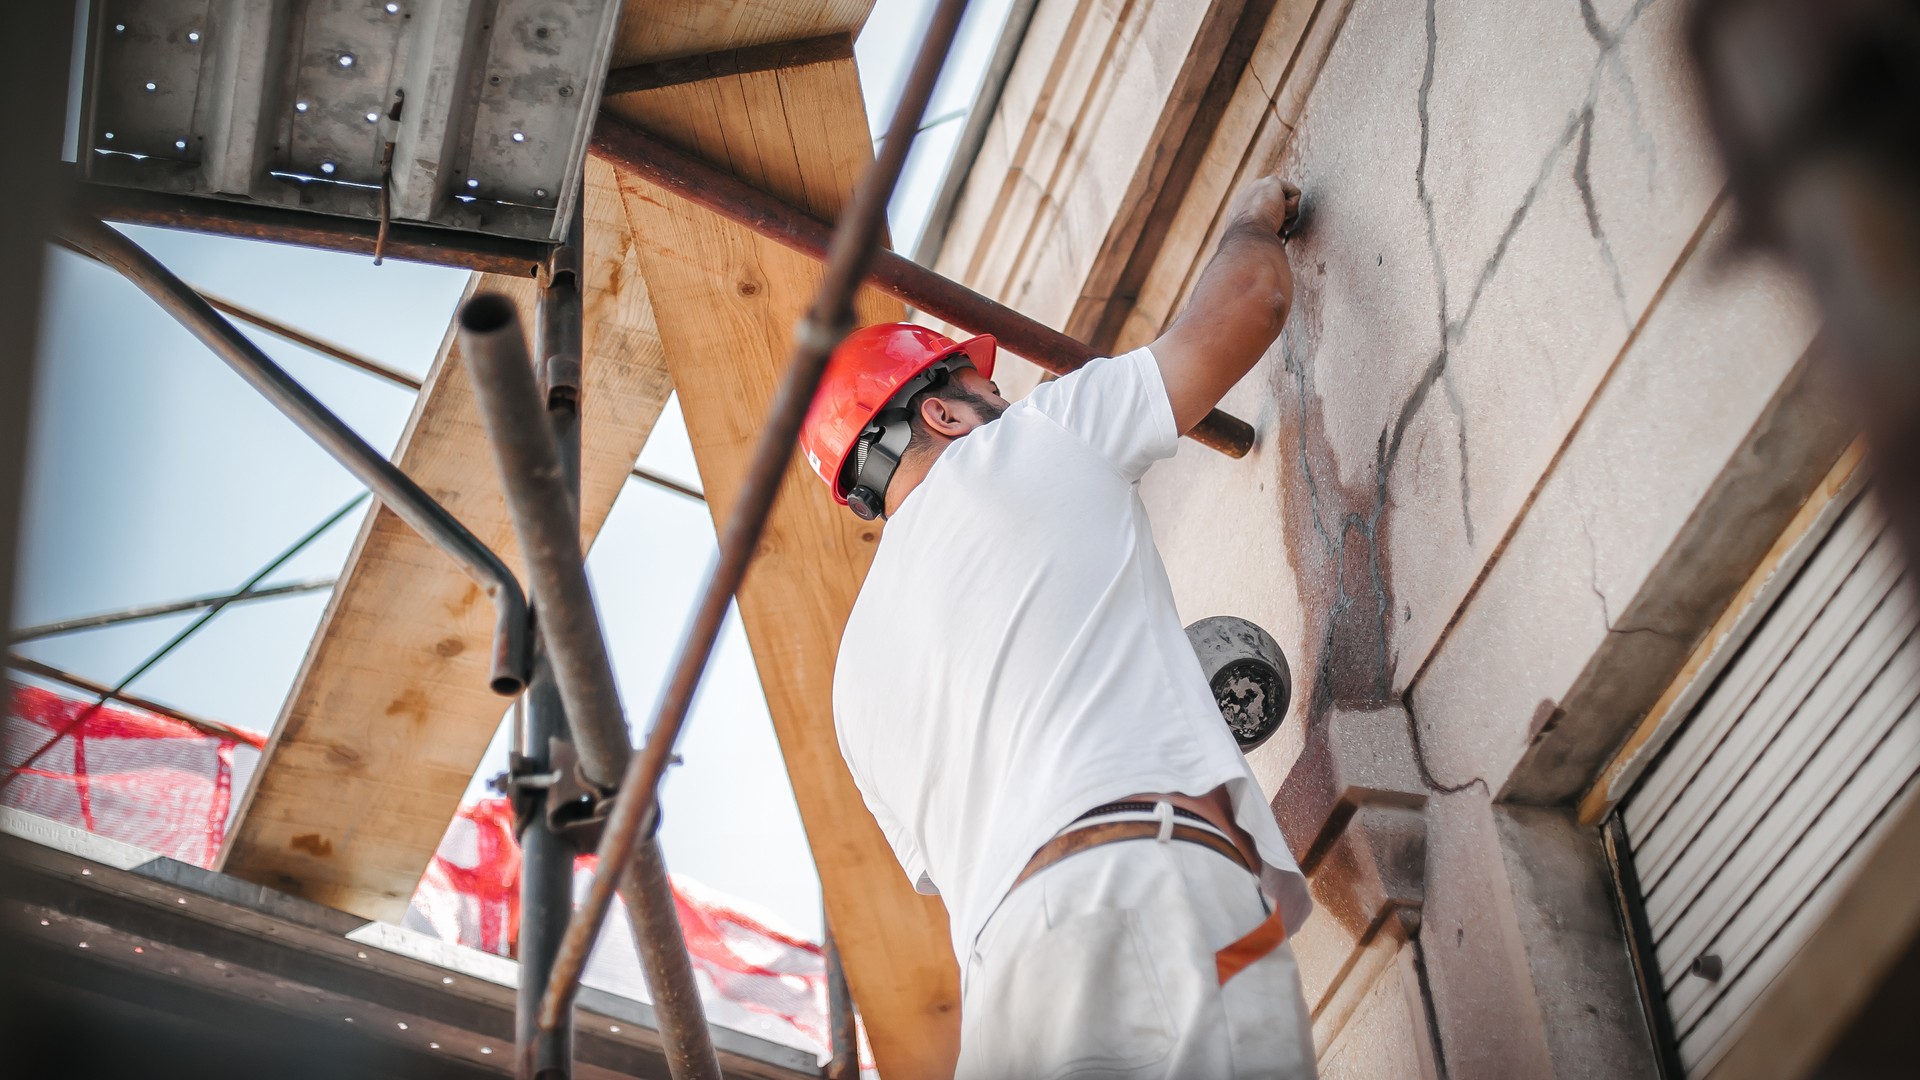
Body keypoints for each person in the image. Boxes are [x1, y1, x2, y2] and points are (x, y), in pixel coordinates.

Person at [799, 175, 1315, 1078]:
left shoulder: (852, 688)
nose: (1005, 396)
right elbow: (1252, 303)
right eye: (982, 385)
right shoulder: (1031, 440)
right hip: (1146, 888)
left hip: (1004, 1005)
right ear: (942, 410)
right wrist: (1249, 218)